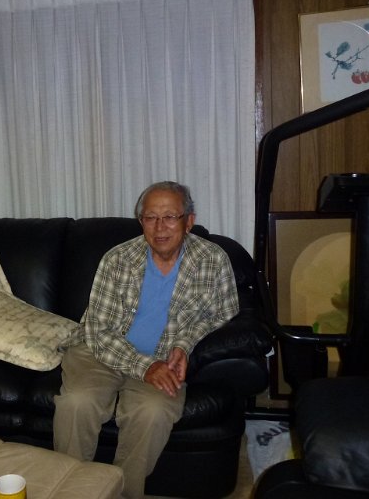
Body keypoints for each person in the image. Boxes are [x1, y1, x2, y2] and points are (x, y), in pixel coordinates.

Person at [53, 181, 240, 499]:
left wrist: (184, 344)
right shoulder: (118, 259)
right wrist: (144, 367)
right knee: (77, 404)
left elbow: (223, 312)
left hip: (162, 357)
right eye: (150, 217)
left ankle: (121, 493)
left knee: (153, 412)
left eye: (170, 217)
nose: (159, 227)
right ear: (141, 221)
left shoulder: (212, 260)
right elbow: (99, 331)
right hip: (100, 351)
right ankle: (70, 492)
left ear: (189, 221)